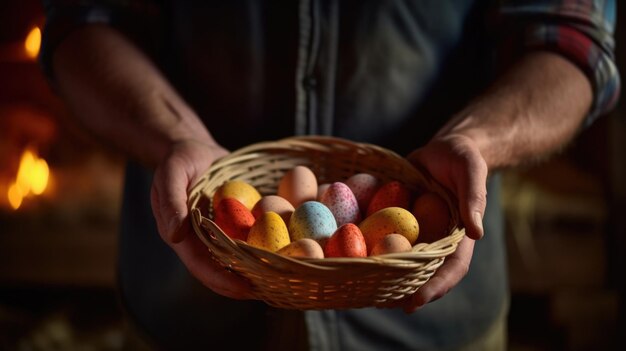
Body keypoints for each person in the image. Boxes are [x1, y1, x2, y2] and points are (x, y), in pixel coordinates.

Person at [40, 1, 620, 350]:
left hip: (432, 324)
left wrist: (477, 140)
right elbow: (84, 19)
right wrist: (174, 136)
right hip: (190, 310)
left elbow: (570, 34)